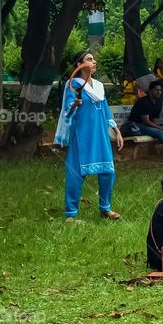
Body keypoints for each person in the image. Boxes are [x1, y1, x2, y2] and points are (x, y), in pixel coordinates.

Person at [54, 51, 124, 222]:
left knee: (108, 172)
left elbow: (105, 110)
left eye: (93, 59)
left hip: (100, 134)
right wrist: (75, 105)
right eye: (90, 59)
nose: (94, 62)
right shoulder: (73, 84)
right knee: (76, 174)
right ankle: (71, 214)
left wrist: (117, 131)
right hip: (81, 134)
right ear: (80, 65)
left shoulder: (99, 86)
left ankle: (105, 209)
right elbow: (67, 111)